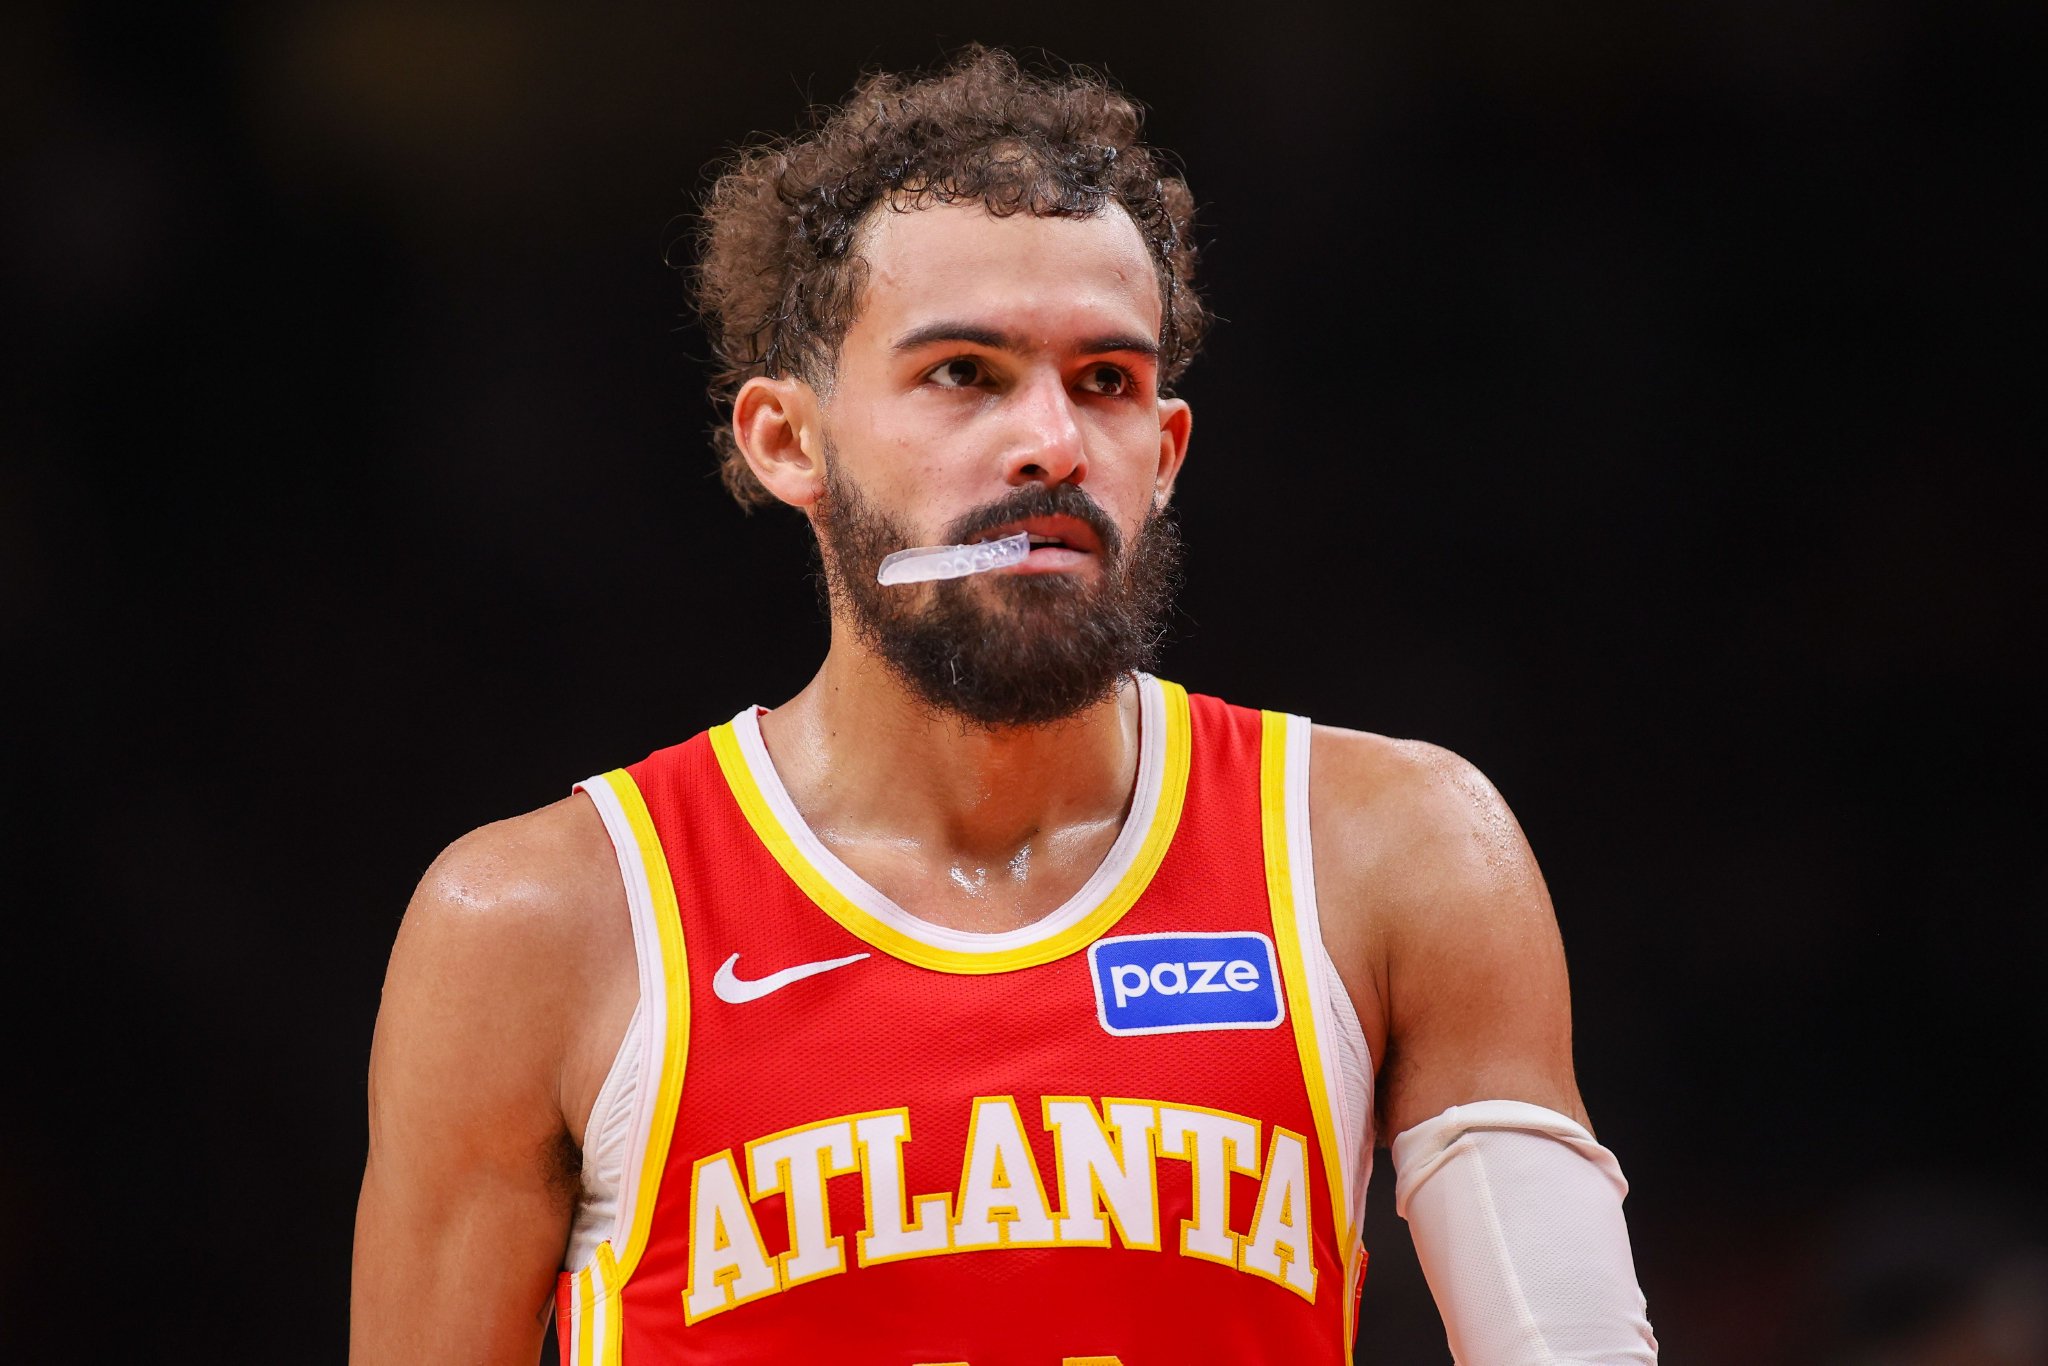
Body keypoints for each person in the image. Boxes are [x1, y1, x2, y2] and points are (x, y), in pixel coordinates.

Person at [350, 46, 1657, 1366]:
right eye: (965, 373)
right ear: (788, 440)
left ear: (1166, 453)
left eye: (1106, 381)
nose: (1053, 443)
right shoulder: (537, 926)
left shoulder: (1397, 852)